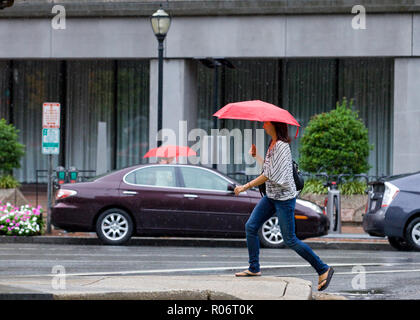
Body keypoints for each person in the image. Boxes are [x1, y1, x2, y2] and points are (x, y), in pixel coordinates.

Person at [233, 121, 334, 291]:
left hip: (284, 199)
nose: (264, 125)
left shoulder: (281, 146)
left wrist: (244, 187)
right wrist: (256, 156)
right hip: (271, 196)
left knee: (290, 239)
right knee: (251, 226)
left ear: (275, 125)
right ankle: (254, 268)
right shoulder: (272, 144)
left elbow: (268, 175)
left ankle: (323, 269)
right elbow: (268, 169)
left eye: (266, 123)